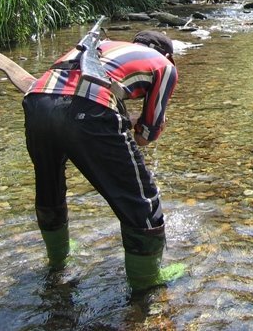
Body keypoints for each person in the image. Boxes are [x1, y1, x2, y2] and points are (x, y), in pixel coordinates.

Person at [22, 28, 178, 292]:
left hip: (37, 100)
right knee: (143, 200)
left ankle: (58, 260)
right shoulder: (165, 66)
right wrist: (141, 127)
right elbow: (146, 136)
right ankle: (146, 282)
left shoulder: (101, 47)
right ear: (168, 55)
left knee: (50, 187)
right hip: (89, 105)